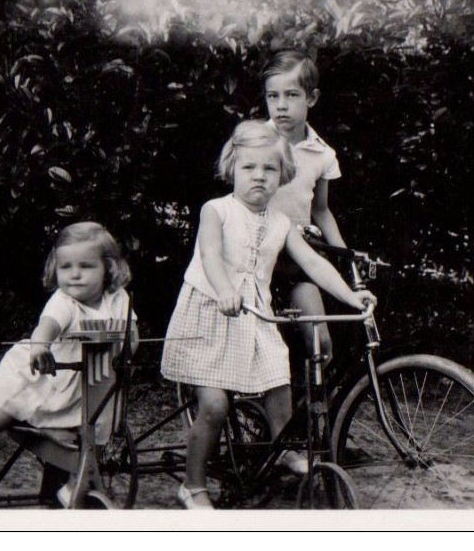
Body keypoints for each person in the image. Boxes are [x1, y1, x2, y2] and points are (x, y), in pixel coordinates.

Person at [160, 120, 375, 509]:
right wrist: (225, 290)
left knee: (279, 379)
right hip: (211, 312)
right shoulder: (217, 210)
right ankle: (192, 485)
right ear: (232, 169)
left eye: (270, 169)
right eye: (249, 168)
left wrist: (351, 295)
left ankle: (284, 449)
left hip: (254, 315)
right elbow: (209, 254)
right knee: (214, 405)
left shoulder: (281, 223)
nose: (259, 176)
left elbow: (313, 263)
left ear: (283, 174)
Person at [0, 222, 137, 507]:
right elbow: (47, 326)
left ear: (108, 268)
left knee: (100, 425)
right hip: (42, 377)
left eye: (86, 266)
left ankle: (73, 484)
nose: (75, 275)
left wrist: (130, 341)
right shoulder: (64, 302)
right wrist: (41, 346)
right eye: (66, 267)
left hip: (92, 381)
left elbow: (130, 331)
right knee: (0, 415)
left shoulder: (118, 299)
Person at [262, 51, 346, 367]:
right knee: (260, 339)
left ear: (311, 98)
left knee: (319, 341)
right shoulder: (257, 141)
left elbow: (321, 210)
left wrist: (343, 255)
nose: (281, 105)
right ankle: (248, 410)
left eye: (291, 95)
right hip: (257, 253)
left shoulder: (322, 154)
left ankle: (312, 413)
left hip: (297, 256)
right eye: (273, 95)